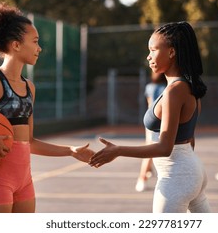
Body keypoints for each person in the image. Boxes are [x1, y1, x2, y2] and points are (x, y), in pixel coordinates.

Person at [0, 2, 94, 213]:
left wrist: (70, 151)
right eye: (35, 41)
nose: (39, 48)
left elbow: (28, 142)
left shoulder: (29, 87)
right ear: (16, 45)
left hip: (24, 182)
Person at [89, 21, 211, 213]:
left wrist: (118, 150)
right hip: (190, 171)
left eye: (153, 50)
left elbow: (165, 147)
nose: (148, 56)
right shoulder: (187, 86)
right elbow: (190, 141)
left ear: (172, 52)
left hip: (177, 177)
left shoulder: (174, 91)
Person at [135, 72, 166, 192]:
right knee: (150, 151)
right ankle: (141, 178)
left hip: (150, 119)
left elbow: (149, 105)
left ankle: (148, 170)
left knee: (152, 148)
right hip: (160, 121)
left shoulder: (149, 87)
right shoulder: (168, 87)